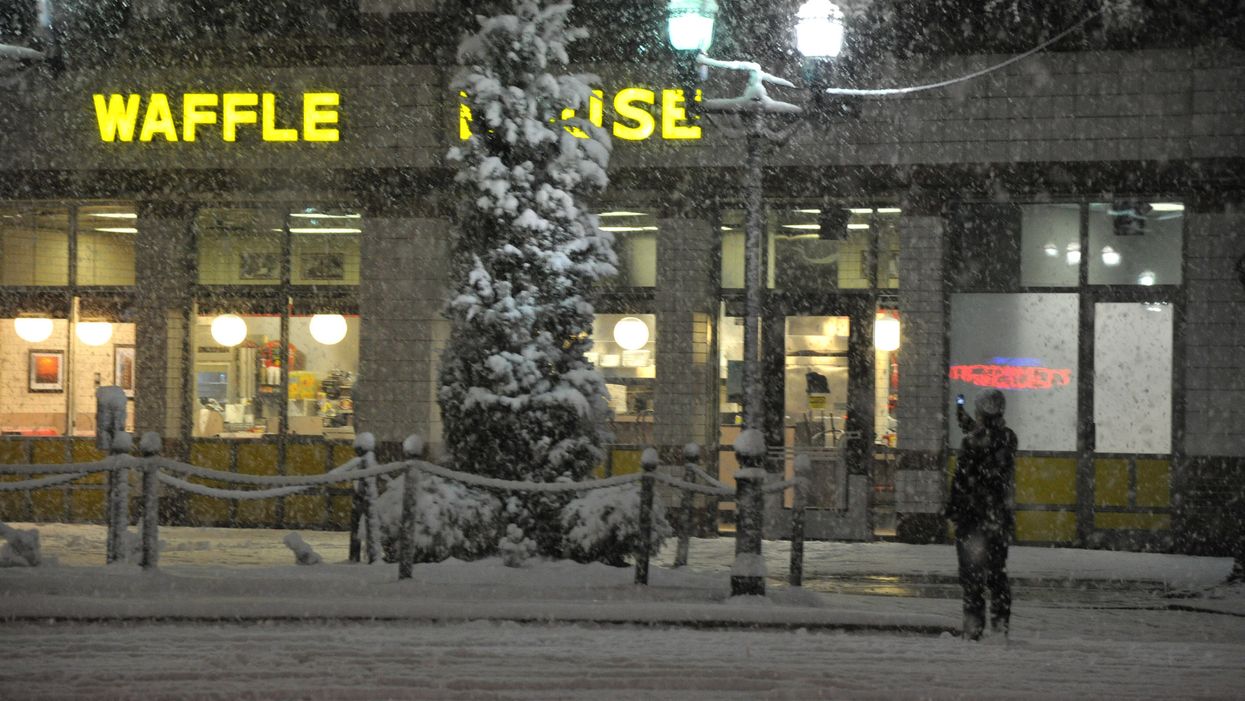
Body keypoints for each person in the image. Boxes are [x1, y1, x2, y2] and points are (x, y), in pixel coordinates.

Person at [946, 389, 1018, 641]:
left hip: (974, 522)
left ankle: (974, 629)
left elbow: (962, 480)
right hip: (997, 521)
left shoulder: (977, 442)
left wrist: (953, 510)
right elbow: (990, 442)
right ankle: (999, 628)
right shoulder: (1006, 438)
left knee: (973, 578)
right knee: (996, 575)